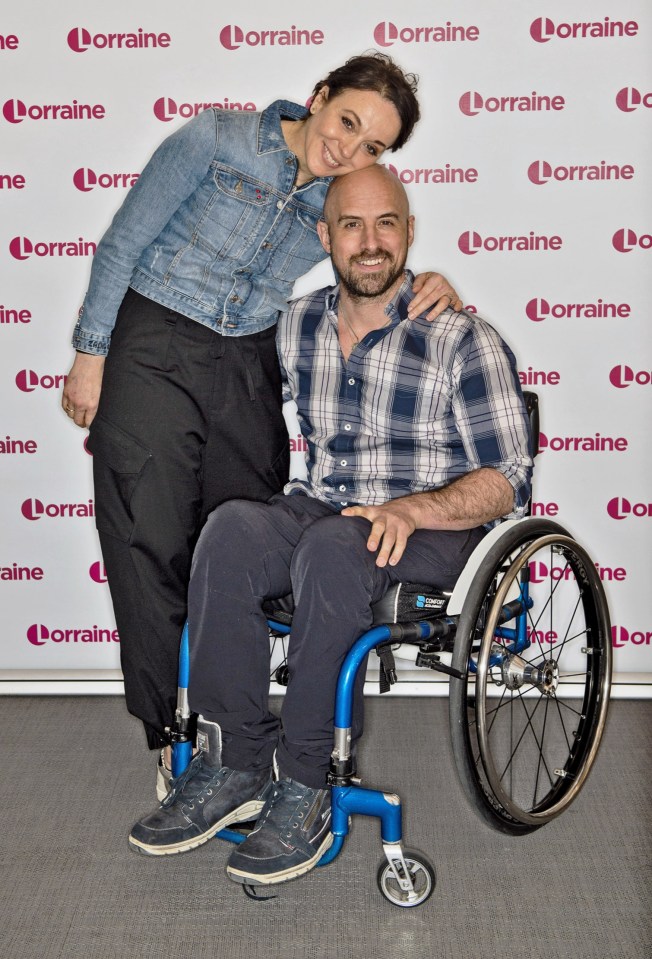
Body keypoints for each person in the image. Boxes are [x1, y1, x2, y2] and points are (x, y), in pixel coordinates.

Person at [60, 53, 461, 793]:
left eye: (372, 146)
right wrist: (93, 353)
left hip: (247, 357)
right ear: (317, 98)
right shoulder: (215, 139)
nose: (349, 149)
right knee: (147, 537)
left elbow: (370, 255)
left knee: (237, 534)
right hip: (156, 340)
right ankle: (174, 733)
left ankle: (238, 731)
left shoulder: (339, 196)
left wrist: (429, 281)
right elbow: (123, 240)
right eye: (347, 122)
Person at [127, 165, 533, 888]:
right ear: (326, 235)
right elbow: (208, 344)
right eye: (352, 224)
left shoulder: (462, 339)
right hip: (325, 508)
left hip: (427, 522)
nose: (370, 242)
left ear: (409, 232)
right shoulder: (297, 323)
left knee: (334, 547)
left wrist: (412, 508)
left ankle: (308, 779)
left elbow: (506, 478)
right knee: (230, 532)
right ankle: (234, 763)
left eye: (387, 223)